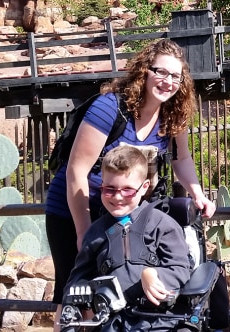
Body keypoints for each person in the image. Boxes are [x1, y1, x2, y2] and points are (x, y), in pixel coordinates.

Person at [46, 39, 216, 328]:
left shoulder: (172, 116)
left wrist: (197, 193)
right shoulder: (110, 107)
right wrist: (84, 232)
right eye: (161, 72)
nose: (168, 82)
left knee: (122, 287)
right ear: (144, 72)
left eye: (176, 76)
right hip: (75, 206)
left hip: (122, 209)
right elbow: (77, 170)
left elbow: (181, 159)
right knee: (76, 290)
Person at [61, 144, 191, 331]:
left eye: (128, 190)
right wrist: (81, 290)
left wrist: (154, 274)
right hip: (111, 321)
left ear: (144, 186)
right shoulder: (96, 232)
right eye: (110, 189)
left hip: (159, 320)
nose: (118, 197)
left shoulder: (163, 225)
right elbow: (77, 277)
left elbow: (180, 268)